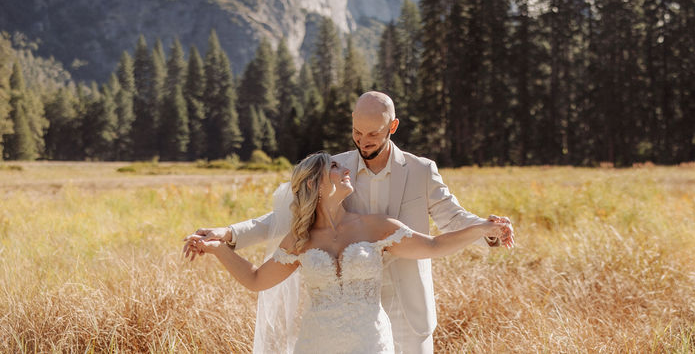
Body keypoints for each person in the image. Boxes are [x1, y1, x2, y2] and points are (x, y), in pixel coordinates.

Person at [184, 91, 514, 353]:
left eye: (373, 134)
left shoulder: (420, 170)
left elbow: (450, 220)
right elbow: (283, 219)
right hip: (332, 318)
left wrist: (488, 231)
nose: (363, 140)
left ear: (392, 127)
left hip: (407, 306)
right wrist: (227, 235)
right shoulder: (335, 168)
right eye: (357, 132)